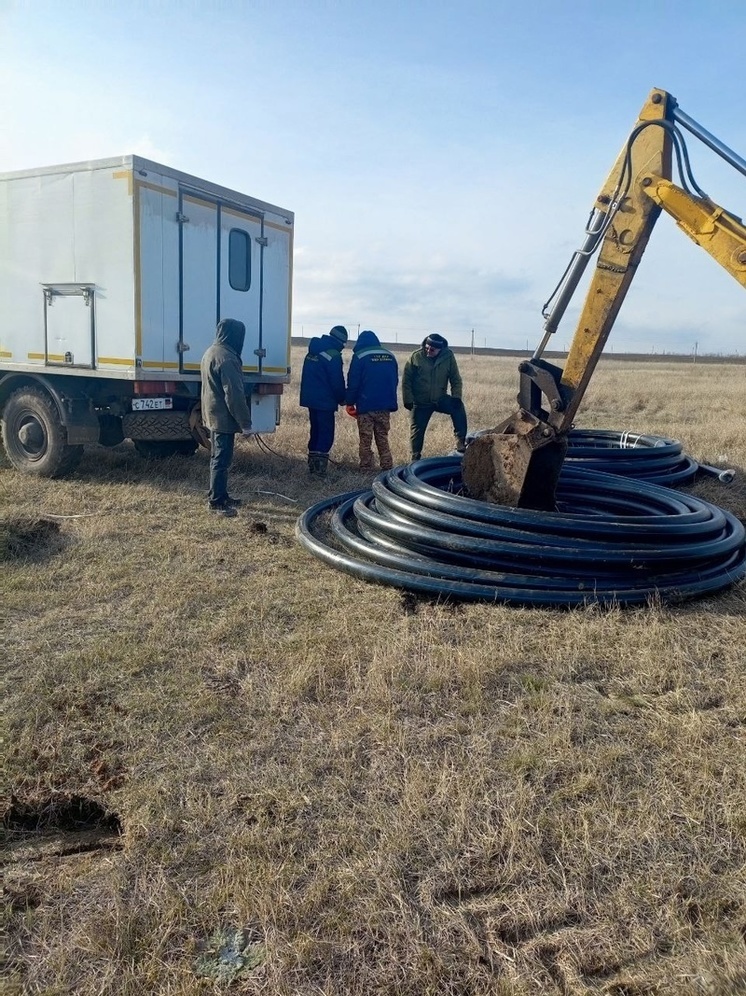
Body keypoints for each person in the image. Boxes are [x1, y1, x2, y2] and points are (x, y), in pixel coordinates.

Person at [200, 318, 253, 517]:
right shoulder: (227, 358)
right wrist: (245, 424)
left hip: (213, 414)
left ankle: (220, 495)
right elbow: (234, 394)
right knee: (221, 459)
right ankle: (216, 503)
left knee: (217, 457)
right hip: (223, 417)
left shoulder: (211, 352)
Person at [402, 332, 467, 460]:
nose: (428, 351)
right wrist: (408, 399)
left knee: (458, 408)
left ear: (440, 349)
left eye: (432, 350)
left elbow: (455, 379)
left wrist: (456, 397)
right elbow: (406, 380)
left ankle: (460, 440)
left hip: (440, 399)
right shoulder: (416, 356)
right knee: (417, 430)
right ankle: (415, 457)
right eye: (426, 348)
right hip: (421, 402)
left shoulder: (448, 356)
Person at [345, 329, 399, 471]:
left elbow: (353, 382)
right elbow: (395, 381)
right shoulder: (390, 356)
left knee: (365, 439)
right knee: (382, 437)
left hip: (365, 405)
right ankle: (387, 467)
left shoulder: (360, 356)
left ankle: (366, 467)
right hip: (385, 405)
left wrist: (350, 402)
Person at [299, 325, 348, 476]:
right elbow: (336, 381)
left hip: (311, 400)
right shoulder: (333, 355)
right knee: (325, 434)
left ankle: (312, 467)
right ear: (340, 342)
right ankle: (319, 472)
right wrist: (342, 398)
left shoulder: (313, 351)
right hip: (325, 402)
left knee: (315, 432)